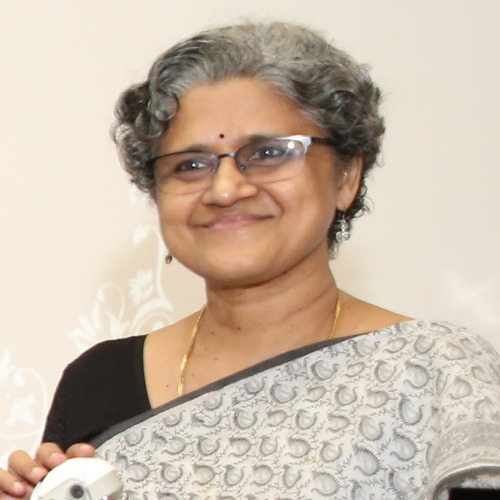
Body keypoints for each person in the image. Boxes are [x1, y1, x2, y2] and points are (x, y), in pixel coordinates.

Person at [2, 21, 500, 500]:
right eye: (190, 165)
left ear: (347, 176)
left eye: (268, 153)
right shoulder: (97, 381)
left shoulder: (438, 372)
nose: (225, 189)